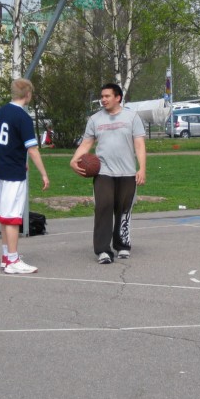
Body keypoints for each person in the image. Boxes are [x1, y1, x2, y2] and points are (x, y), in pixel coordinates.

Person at [70, 83, 146, 264]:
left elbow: (139, 144)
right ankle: (103, 250)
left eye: (107, 96)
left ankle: (122, 245)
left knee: (123, 209)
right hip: (103, 171)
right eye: (102, 96)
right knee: (103, 206)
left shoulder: (132, 117)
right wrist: (74, 160)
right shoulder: (95, 119)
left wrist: (142, 168)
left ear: (118, 97)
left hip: (127, 172)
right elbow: (87, 144)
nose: (103, 99)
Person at [0, 78, 50, 274]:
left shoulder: (0, 112)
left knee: (4, 216)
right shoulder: (23, 117)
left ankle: (6, 256)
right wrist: (43, 173)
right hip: (12, 173)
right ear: (28, 95)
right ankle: (13, 261)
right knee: (13, 217)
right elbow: (32, 149)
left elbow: (7, 143)